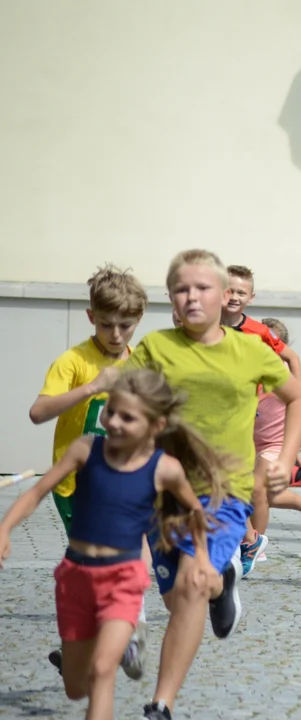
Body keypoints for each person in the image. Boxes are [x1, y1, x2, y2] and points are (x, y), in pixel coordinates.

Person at [127, 249, 301, 720]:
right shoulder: (155, 348)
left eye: (202, 288)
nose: (192, 297)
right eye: (182, 289)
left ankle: (160, 704)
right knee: (177, 598)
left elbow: (299, 401)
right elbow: (124, 408)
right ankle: (223, 584)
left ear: (224, 295)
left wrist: (285, 460)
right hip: (161, 496)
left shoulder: (249, 349)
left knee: (189, 587)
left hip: (224, 493)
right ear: (171, 297)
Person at [0, 369, 218, 720]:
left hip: (123, 580)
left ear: (156, 425)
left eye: (127, 417)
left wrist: (203, 559)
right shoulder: (86, 449)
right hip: (75, 578)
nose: (113, 422)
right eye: (110, 411)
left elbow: (195, 512)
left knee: (103, 670)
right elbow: (38, 491)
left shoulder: (166, 469)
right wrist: (5, 528)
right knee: (76, 687)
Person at [29, 264, 150, 678]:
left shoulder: (140, 361)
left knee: (125, 558)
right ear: (90, 317)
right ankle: (91, 645)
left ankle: (121, 636)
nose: (116, 335)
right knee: (94, 569)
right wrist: (91, 387)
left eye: (126, 326)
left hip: (124, 481)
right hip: (75, 486)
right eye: (107, 325)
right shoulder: (74, 361)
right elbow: (38, 411)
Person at [222, 264, 301, 574]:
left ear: (251, 297)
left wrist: (298, 396)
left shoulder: (258, 331)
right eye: (228, 290)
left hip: (245, 417)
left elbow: (291, 357)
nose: (233, 297)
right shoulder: (206, 323)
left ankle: (247, 540)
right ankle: (246, 539)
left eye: (241, 292)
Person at [251, 318, 301, 546]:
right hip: (252, 442)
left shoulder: (286, 376)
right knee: (268, 496)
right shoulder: (248, 371)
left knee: (257, 490)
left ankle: (255, 544)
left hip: (277, 442)